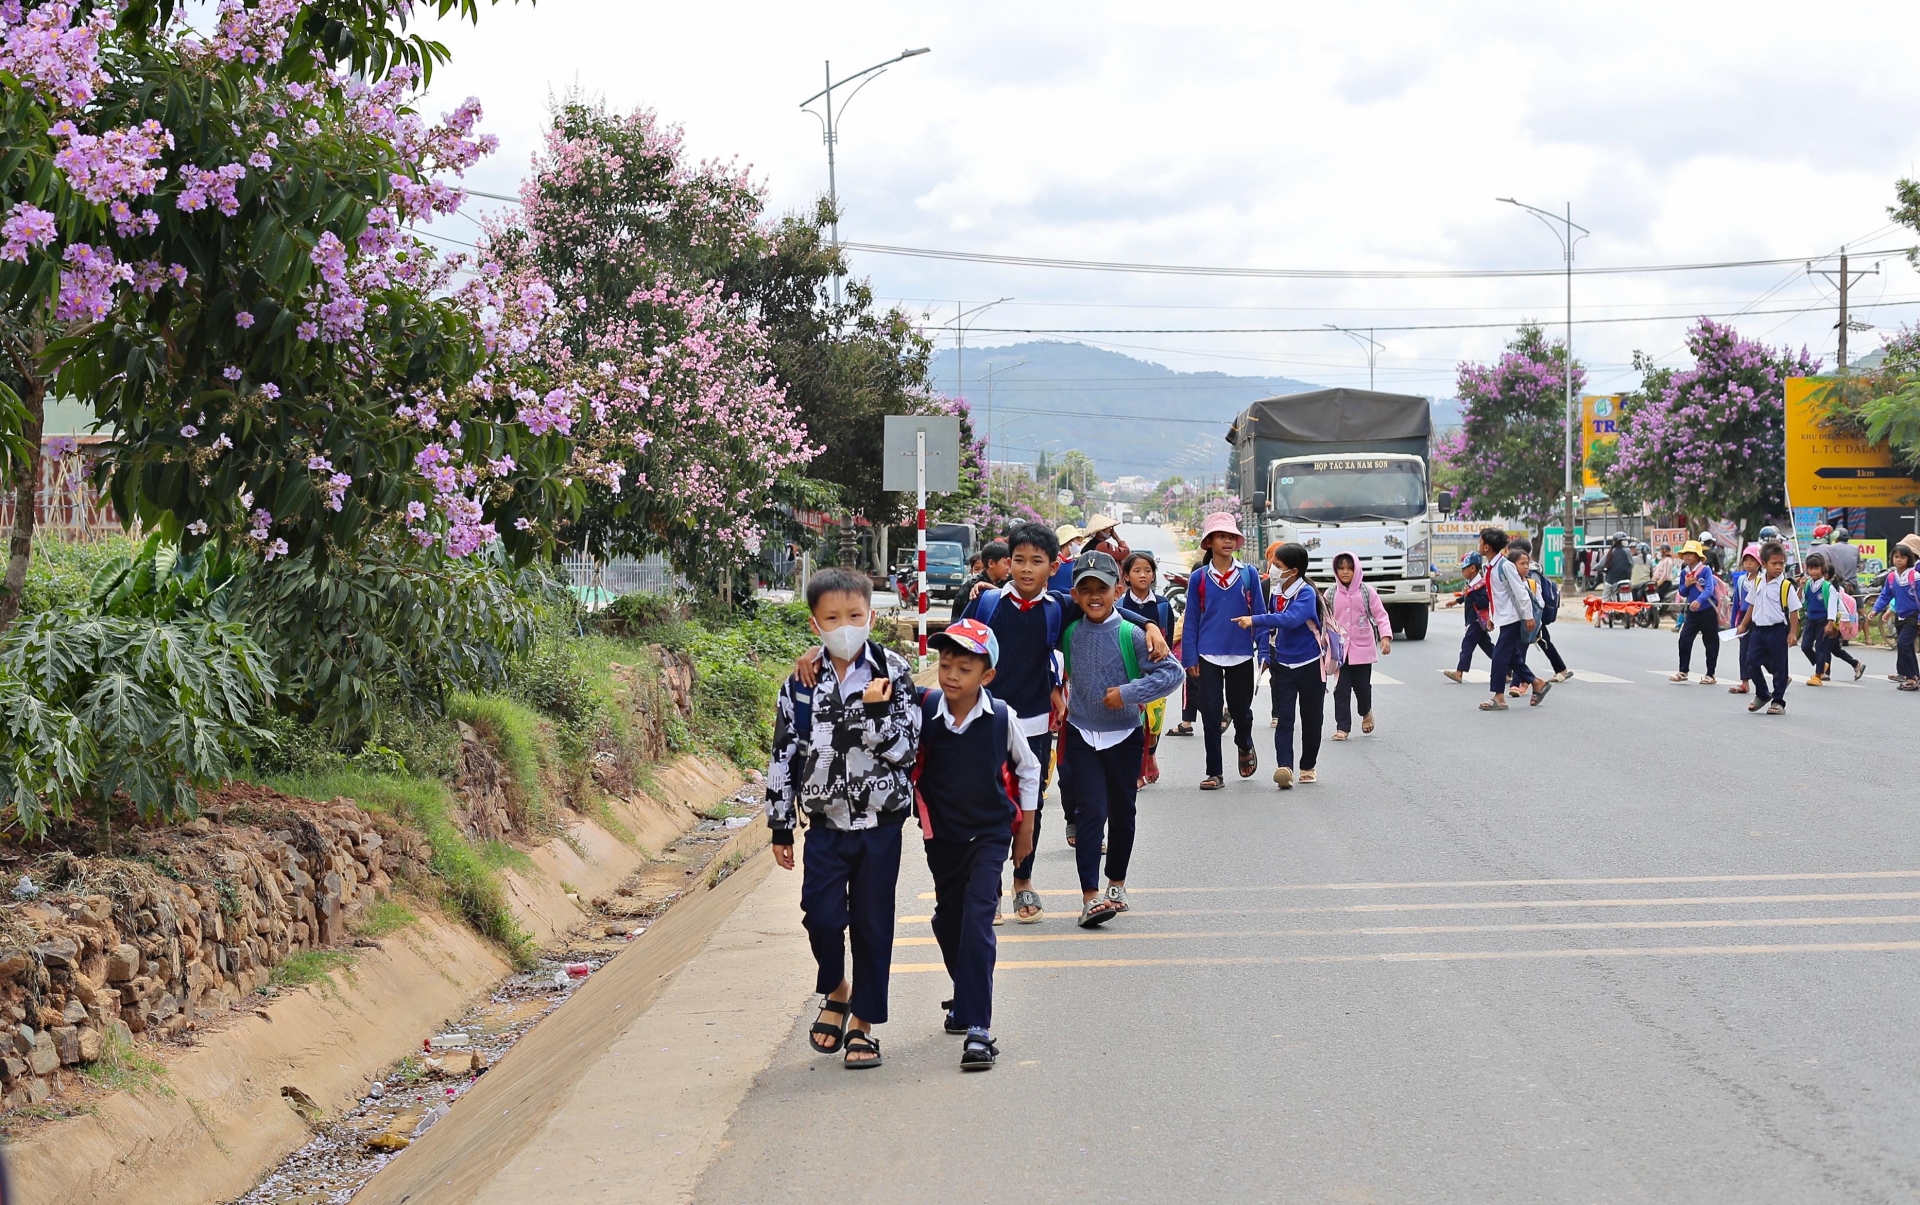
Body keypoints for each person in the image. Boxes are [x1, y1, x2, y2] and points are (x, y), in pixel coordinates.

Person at [951, 522, 1171, 923]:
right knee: (988, 804)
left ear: (1054, 568)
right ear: (1005, 564)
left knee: (1029, 805)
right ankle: (988, 888)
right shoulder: (987, 604)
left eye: (1037, 561)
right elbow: (957, 645)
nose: (1026, 569)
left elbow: (1104, 609)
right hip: (988, 721)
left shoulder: (1057, 606)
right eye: (1019, 560)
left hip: (1036, 724)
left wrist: (1149, 624)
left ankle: (1023, 880)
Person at [765, 567, 921, 1069]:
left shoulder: (893, 672)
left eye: (854, 615)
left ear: (871, 615)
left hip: (881, 822)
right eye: (832, 617)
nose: (844, 625)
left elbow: (907, 750)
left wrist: (873, 716)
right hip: (825, 825)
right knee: (822, 918)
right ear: (816, 624)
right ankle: (837, 988)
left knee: (874, 925)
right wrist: (780, 822)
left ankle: (864, 1024)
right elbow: (783, 752)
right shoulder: (802, 681)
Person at [914, 618, 1041, 1071]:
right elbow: (879, 682)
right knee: (947, 921)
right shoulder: (925, 707)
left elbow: (1029, 769)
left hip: (989, 834)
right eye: (945, 664)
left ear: (986, 676)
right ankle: (966, 994)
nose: (951, 675)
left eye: (964, 668)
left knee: (977, 921)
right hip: (942, 837)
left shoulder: (1002, 717)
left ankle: (979, 1030)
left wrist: (1024, 827)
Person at [1059, 551, 1183, 926]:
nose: (1094, 596)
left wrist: (1127, 693)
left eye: (1103, 588)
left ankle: (1116, 883)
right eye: (1086, 590)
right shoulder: (1069, 632)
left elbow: (1172, 674)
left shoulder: (1132, 634)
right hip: (1081, 733)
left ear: (1118, 589)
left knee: (1122, 812)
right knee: (1089, 813)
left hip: (1125, 734)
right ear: (1075, 595)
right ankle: (1090, 896)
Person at [1182, 512, 1263, 789]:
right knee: (1212, 714)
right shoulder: (1199, 578)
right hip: (1208, 656)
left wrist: (1264, 651)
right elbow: (1191, 619)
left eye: (1231, 536)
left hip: (1241, 653)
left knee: (1241, 712)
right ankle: (1214, 772)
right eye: (1221, 536)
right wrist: (1189, 657)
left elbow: (1260, 615)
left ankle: (1244, 743)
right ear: (1210, 542)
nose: (1227, 541)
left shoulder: (1249, 575)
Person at [1236, 542, 1324, 788]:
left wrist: (1255, 619)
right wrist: (1264, 653)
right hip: (1282, 663)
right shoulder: (1275, 591)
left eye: (1277, 565)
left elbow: (1291, 619)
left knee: (1311, 717)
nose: (1272, 569)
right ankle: (1284, 766)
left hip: (1309, 663)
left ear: (1293, 570)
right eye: (1273, 564)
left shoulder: (1306, 593)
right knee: (1284, 718)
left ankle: (1308, 766)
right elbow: (1270, 629)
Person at [1117, 550, 1176, 785]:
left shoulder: (1162, 606)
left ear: (1153, 576)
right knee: (1136, 722)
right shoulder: (1120, 606)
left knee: (1154, 721)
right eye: (1137, 570)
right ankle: (1137, 771)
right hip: (1129, 672)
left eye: (1148, 570)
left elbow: (1168, 639)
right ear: (1127, 577)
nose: (1143, 575)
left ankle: (1150, 755)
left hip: (1156, 672)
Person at [1322, 550, 1391, 740]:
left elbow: (1380, 615)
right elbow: (1324, 619)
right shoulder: (1331, 593)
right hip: (1340, 651)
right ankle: (1342, 727)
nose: (1345, 572)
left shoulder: (1367, 592)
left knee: (1362, 687)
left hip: (1362, 649)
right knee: (1341, 689)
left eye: (1349, 568)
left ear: (1356, 570)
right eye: (1341, 568)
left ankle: (1366, 711)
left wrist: (1385, 637)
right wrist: (1322, 644)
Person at [1480, 529, 1550, 711]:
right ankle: (1537, 683)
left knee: (1499, 656)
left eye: (1480, 542)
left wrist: (1528, 617)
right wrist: (1492, 616)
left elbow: (1521, 592)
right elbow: (1494, 594)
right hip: (1503, 618)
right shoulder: (1489, 567)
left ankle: (1498, 697)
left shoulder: (1505, 566)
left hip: (1513, 618)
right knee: (1512, 657)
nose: (1479, 545)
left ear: (1487, 546)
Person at [1736, 541, 1799, 715]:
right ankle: (1762, 693)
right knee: (1751, 661)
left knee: (1780, 666)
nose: (1778, 567)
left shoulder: (1785, 586)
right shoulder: (1757, 582)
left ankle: (1778, 701)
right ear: (1763, 564)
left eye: (1781, 563)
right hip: (1758, 630)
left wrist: (1792, 633)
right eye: (1774, 563)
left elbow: (1794, 611)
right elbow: (1751, 605)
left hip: (1778, 630)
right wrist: (1743, 624)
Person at [1799, 552, 1863, 684]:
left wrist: (1831, 622)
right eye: (1811, 568)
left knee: (1822, 647)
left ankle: (1818, 675)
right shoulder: (1807, 585)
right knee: (1805, 646)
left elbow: (1834, 606)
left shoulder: (1828, 587)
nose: (1814, 571)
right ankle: (1821, 664)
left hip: (1823, 620)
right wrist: (1800, 588)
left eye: (1816, 568)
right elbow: (1800, 601)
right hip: (1810, 619)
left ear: (1823, 569)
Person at [1669, 540, 1721, 685]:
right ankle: (1683, 671)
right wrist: (1686, 584)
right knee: (1684, 639)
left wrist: (1699, 600)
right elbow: (1682, 592)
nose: (1687, 556)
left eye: (1691, 554)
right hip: (1692, 612)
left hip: (1707, 610)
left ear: (1698, 556)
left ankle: (1710, 674)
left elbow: (1709, 589)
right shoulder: (1684, 572)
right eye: (1685, 553)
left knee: (1710, 642)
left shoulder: (1705, 570)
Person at [1872, 542, 1920, 691]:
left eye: (1903, 557)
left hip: (1913, 616)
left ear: (1909, 559)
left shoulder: (1915, 577)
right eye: (1896, 557)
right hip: (1900, 616)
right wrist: (1876, 610)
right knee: (1908, 647)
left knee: (1903, 644)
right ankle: (1915, 676)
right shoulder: (1892, 578)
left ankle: (1911, 677)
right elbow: (1885, 595)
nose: (1898, 560)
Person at [1442, 552, 1496, 683]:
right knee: (1489, 648)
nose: (1462, 571)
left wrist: (1470, 595)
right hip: (1474, 620)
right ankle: (1508, 667)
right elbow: (1467, 596)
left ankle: (1459, 672)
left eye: (1464, 568)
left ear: (1472, 568)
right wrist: (1457, 601)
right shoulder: (1472, 583)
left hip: (1477, 621)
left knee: (1467, 645)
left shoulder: (1482, 585)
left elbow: (1484, 602)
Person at [1523, 554, 1572, 683]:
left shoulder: (1532, 573)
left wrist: (1533, 616)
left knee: (1531, 644)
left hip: (1534, 615)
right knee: (1544, 641)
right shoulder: (1531, 570)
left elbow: (1535, 597)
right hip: (1531, 615)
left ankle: (1517, 677)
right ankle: (1561, 669)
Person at [1726, 543, 1762, 695]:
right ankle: (1744, 682)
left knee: (1762, 653)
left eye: (1752, 560)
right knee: (1743, 653)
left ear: (1760, 562)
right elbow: (1736, 602)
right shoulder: (1741, 580)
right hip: (1743, 622)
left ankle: (1780, 675)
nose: (1748, 563)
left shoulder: (1762, 580)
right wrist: (1734, 622)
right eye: (1745, 560)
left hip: (1759, 620)